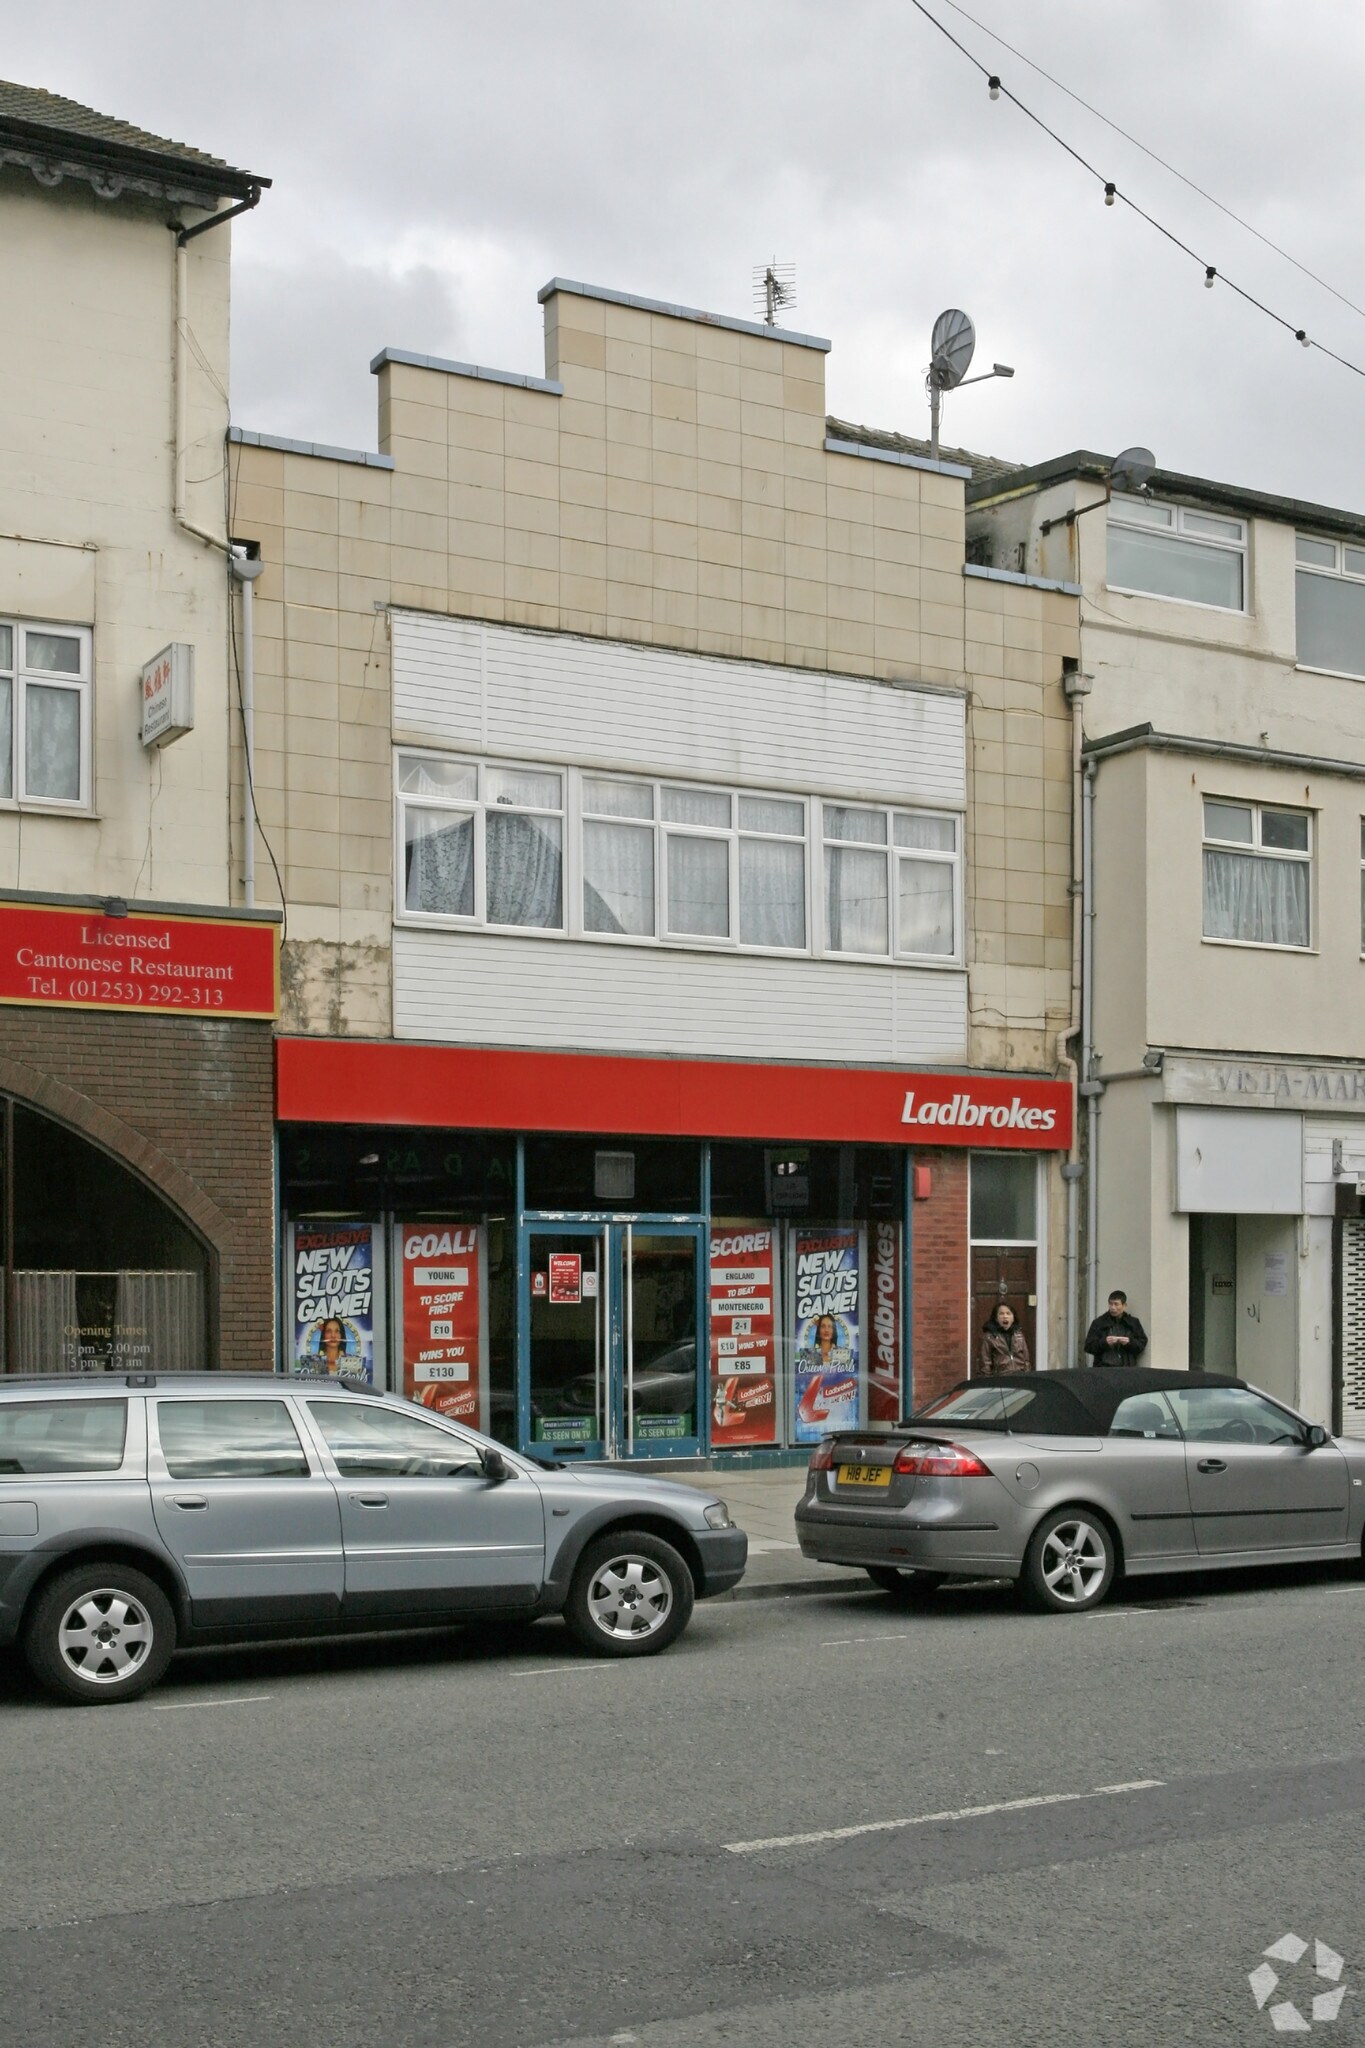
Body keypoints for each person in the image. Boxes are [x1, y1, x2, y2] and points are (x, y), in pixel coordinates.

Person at [1084, 1290, 1148, 1368]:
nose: (1113, 1307)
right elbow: (1088, 1347)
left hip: (1127, 1370)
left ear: (1124, 1305)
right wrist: (1104, 1342)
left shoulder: (1133, 1323)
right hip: (1104, 1369)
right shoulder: (1099, 1323)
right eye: (1110, 1304)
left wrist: (1129, 1343)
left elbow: (1141, 1345)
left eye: (1116, 1304)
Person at [979, 1302, 1030, 1375]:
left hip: (1019, 1376)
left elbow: (1026, 1359)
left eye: (1008, 1313)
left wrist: (1026, 1375)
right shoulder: (989, 1337)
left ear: (1013, 1318)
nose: (1005, 1316)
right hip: (1000, 1378)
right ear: (996, 1318)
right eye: (1001, 1314)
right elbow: (985, 1363)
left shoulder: (1019, 1335)